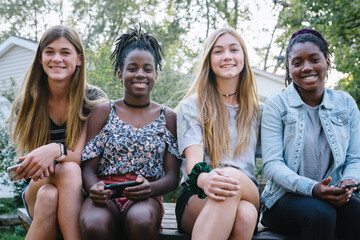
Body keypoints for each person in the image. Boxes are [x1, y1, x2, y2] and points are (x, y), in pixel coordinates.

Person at [79, 27, 181, 240]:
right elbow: (87, 168)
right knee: (94, 223)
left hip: (145, 197)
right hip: (104, 194)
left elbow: (172, 177)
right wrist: (94, 189)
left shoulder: (168, 117)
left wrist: (150, 189)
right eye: (132, 68)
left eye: (147, 69)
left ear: (155, 75)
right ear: (120, 74)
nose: (140, 74)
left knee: (141, 221)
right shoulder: (103, 112)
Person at [9, 25, 107, 240]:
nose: (57, 59)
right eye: (50, 52)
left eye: (65, 52)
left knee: (50, 196)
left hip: (81, 190)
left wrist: (56, 150)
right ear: (40, 58)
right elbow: (36, 166)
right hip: (38, 183)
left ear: (79, 59)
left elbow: (81, 158)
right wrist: (58, 152)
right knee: (61, 176)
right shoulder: (27, 103)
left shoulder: (92, 101)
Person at [260, 29, 360, 240]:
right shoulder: (277, 106)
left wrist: (348, 182)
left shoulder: (345, 103)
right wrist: (312, 188)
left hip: (335, 194)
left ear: (327, 62)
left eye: (314, 59)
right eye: (297, 63)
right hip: (284, 199)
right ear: (289, 69)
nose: (307, 68)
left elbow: (355, 157)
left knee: (356, 210)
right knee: (320, 214)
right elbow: (272, 164)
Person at [175, 27, 261, 240]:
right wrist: (205, 178)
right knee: (246, 215)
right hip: (199, 193)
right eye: (218, 51)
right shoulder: (192, 107)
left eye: (234, 49)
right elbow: (194, 163)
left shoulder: (258, 111)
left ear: (243, 57)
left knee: (230, 178)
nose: (227, 57)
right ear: (209, 60)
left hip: (247, 190)